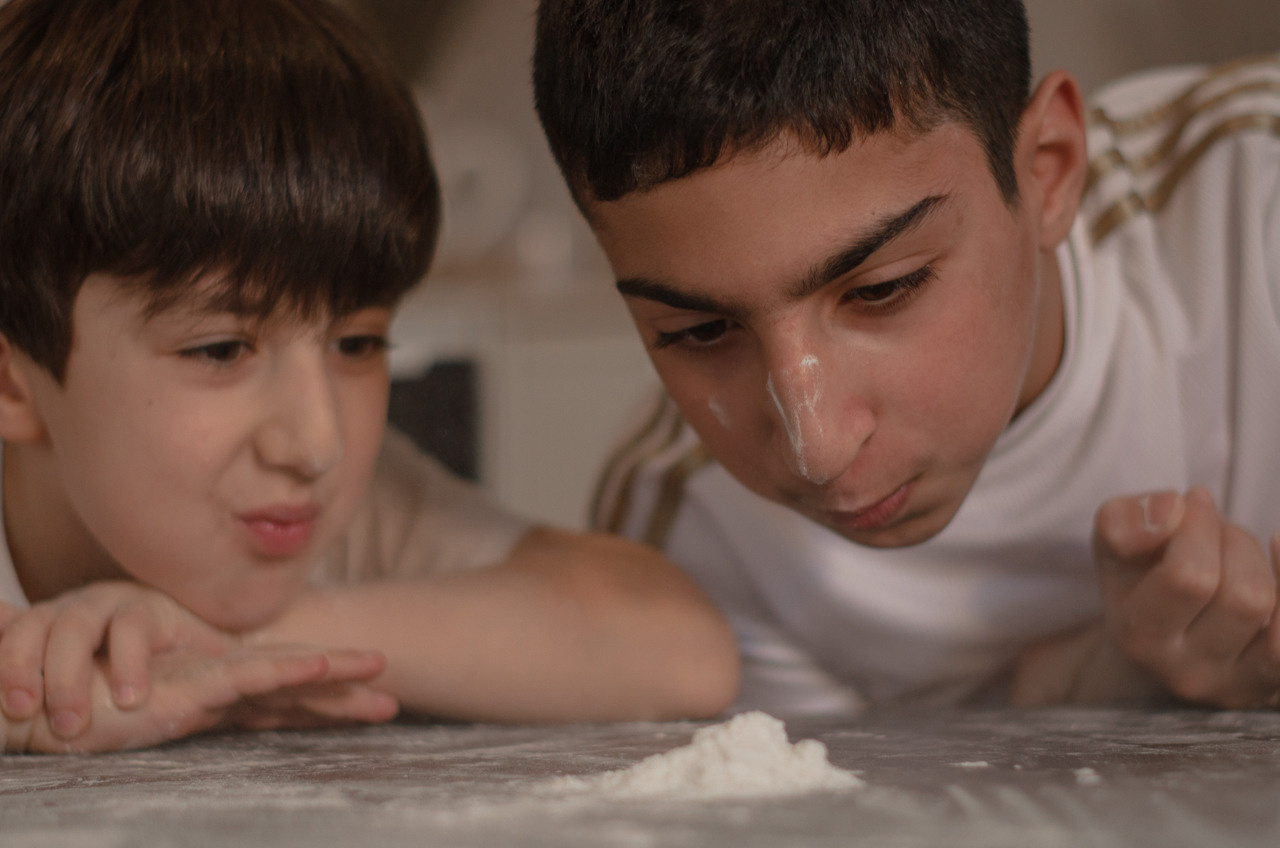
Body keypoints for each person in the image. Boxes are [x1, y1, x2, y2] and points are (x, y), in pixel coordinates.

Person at [0, 0, 739, 753]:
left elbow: (682, 647)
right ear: (12, 383)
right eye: (221, 350)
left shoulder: (339, 510)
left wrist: (226, 646)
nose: (316, 442)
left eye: (356, 343)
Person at [532, 0, 1280, 715]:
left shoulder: (1257, 201)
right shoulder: (693, 540)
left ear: (1047, 170)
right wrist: (1096, 682)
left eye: (883, 289)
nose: (816, 448)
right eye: (700, 332)